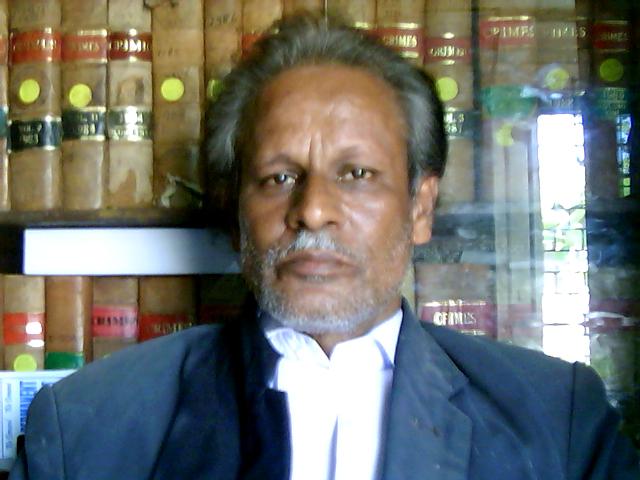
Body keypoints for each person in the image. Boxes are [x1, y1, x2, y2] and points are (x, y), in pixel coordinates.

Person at [10, 14, 640, 480]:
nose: (312, 209)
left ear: (420, 207)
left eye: (356, 174)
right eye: (278, 177)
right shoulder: (88, 426)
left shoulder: (559, 422)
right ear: (236, 211)